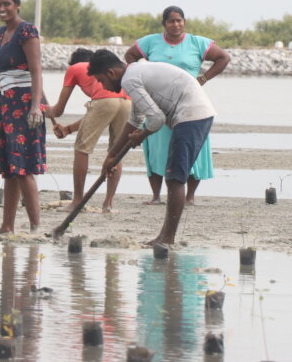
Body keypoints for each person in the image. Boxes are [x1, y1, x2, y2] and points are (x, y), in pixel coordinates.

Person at [88, 49, 216, 246]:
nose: (102, 86)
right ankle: (165, 236)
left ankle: (167, 238)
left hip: (191, 114)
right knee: (173, 177)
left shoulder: (129, 80)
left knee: (174, 178)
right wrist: (112, 156)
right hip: (193, 113)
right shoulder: (135, 73)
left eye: (101, 80)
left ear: (111, 73)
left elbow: (156, 119)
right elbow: (135, 119)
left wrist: (143, 134)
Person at [125, 6, 230, 205]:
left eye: (179, 20)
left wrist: (203, 78)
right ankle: (156, 196)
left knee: (191, 147)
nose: (176, 25)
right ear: (164, 24)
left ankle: (189, 197)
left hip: (190, 103)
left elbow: (223, 57)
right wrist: (140, 72)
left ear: (184, 22)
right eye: (171, 21)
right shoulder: (151, 42)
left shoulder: (197, 42)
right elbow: (130, 56)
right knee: (157, 148)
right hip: (159, 104)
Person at [45, 48, 131, 213]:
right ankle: (108, 204)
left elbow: (58, 111)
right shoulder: (105, 70)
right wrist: (68, 129)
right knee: (116, 150)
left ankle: (77, 201)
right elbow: (95, 112)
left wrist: (43, 109)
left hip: (104, 102)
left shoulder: (75, 68)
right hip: (128, 102)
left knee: (81, 150)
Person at [0, 0, 46, 234]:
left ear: (17, 5)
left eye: (7, 4)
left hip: (23, 106)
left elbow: (36, 71)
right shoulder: (0, 34)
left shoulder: (27, 32)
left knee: (22, 167)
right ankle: (7, 226)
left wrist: (37, 106)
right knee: (8, 169)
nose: (2, 9)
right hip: (3, 103)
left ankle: (35, 227)